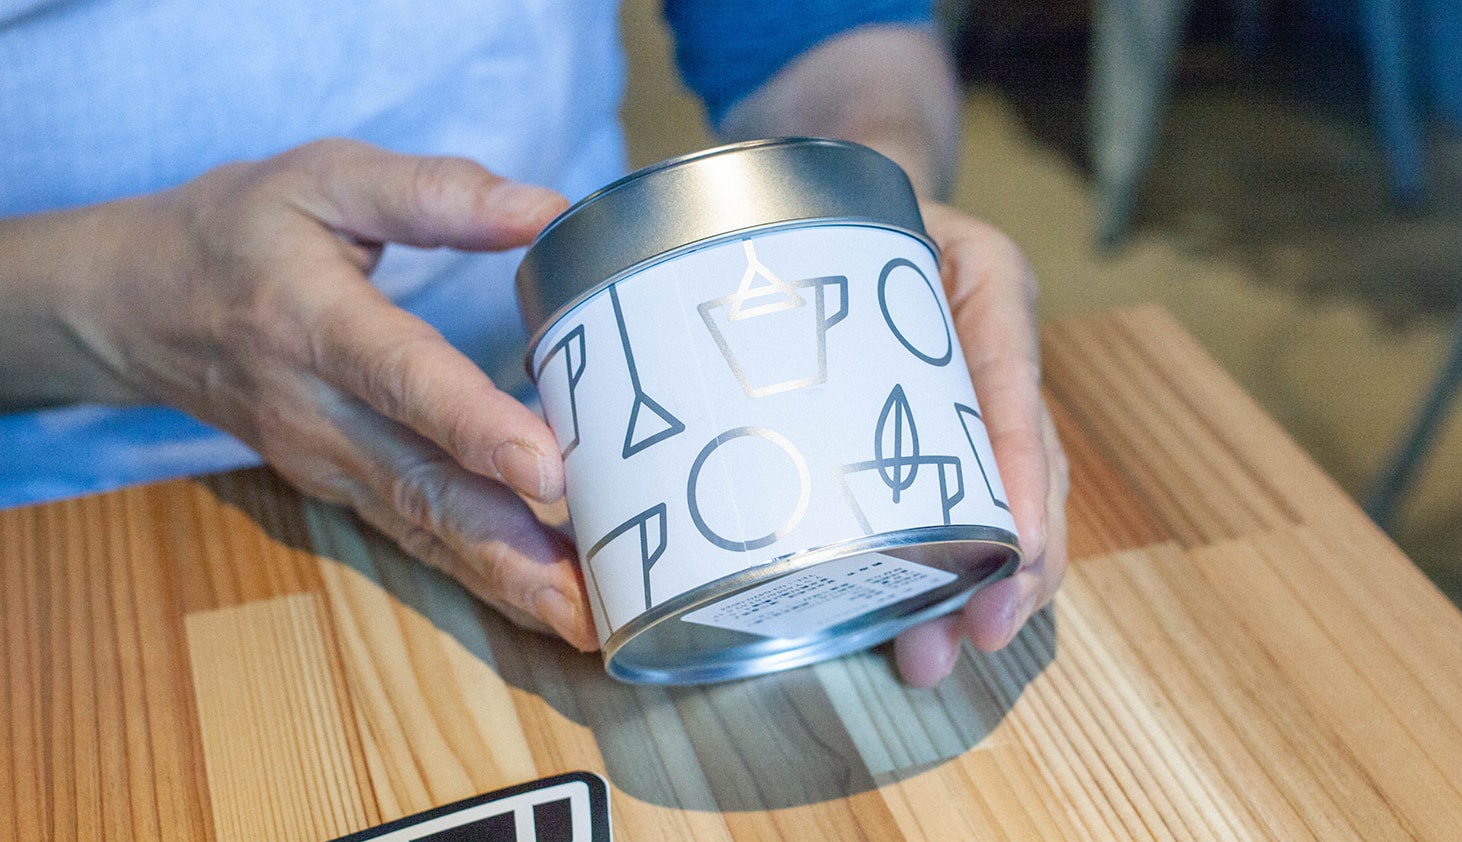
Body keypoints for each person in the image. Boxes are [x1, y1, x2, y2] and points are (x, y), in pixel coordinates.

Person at [0, 0, 1068, 687]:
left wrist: (864, 201)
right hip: (72, 529)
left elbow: (818, 30)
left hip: (584, 452)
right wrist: (116, 305)